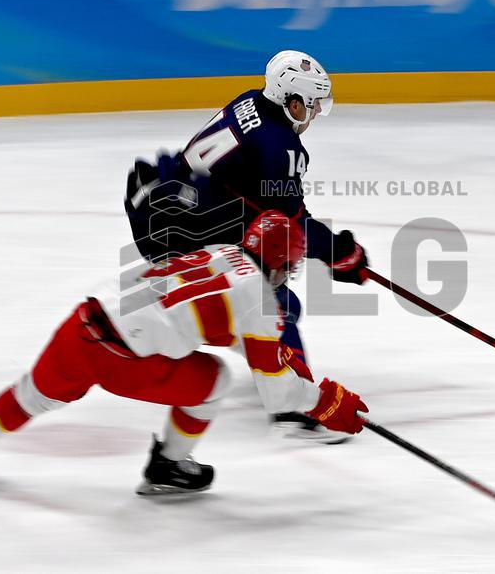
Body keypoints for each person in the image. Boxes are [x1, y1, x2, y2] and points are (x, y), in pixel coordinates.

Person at [0, 211, 369, 495]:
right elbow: (277, 396)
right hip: (125, 361)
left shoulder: (222, 252)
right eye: (290, 266)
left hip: (82, 324)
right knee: (214, 380)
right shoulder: (260, 300)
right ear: (281, 262)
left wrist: (275, 356)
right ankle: (170, 464)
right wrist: (326, 401)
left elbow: (212, 318)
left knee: (33, 394)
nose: (288, 275)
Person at [124, 50, 369, 440]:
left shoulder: (251, 101)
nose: (315, 114)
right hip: (181, 233)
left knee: (267, 300)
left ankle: (265, 364)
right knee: (275, 306)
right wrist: (342, 254)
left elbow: (263, 211)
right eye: (312, 105)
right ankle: (292, 404)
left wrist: (333, 251)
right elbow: (289, 227)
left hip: (163, 211)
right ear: (291, 102)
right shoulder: (281, 148)